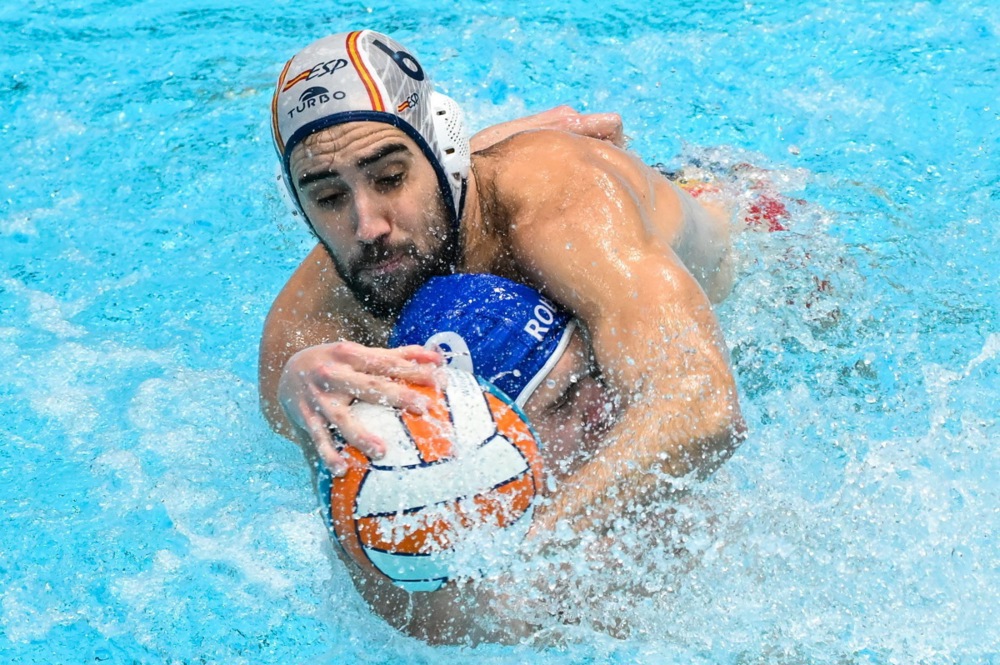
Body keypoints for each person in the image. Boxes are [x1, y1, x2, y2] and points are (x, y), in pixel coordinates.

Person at [259, 29, 744, 542]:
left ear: (443, 156)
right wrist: (301, 406)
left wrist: (531, 553)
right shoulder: (311, 325)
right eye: (330, 197)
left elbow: (703, 407)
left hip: (744, 216)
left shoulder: (563, 207)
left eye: (391, 177)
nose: (368, 227)